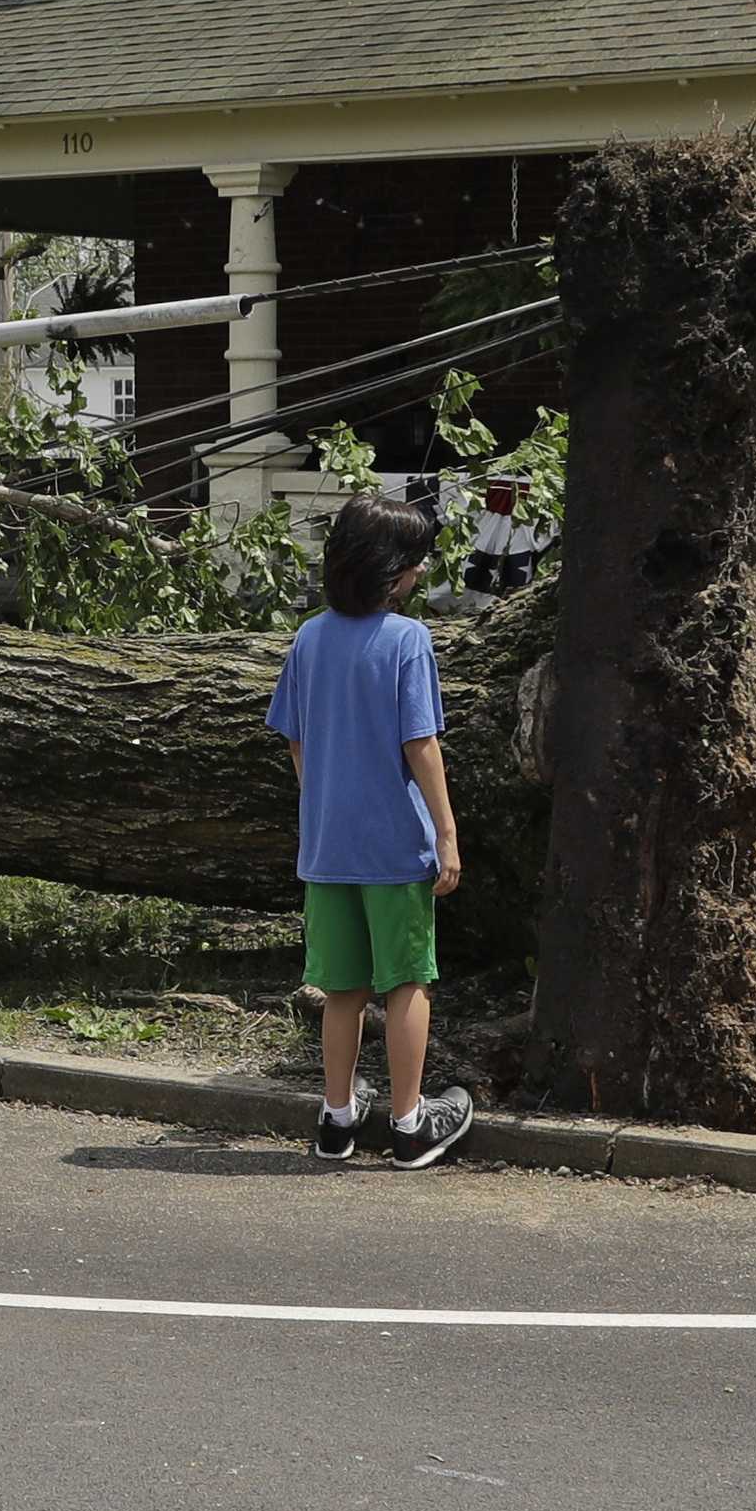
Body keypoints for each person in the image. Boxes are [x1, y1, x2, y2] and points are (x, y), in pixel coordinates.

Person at [264, 491, 471, 1170]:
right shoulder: (408, 640)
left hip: (327, 843)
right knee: (407, 980)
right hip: (393, 844)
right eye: (413, 564)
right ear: (391, 570)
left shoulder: (308, 637)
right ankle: (410, 1123)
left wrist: (323, 800)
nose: (417, 576)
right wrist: (445, 831)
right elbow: (422, 743)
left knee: (342, 989)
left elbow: (295, 740)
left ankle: (336, 1117)